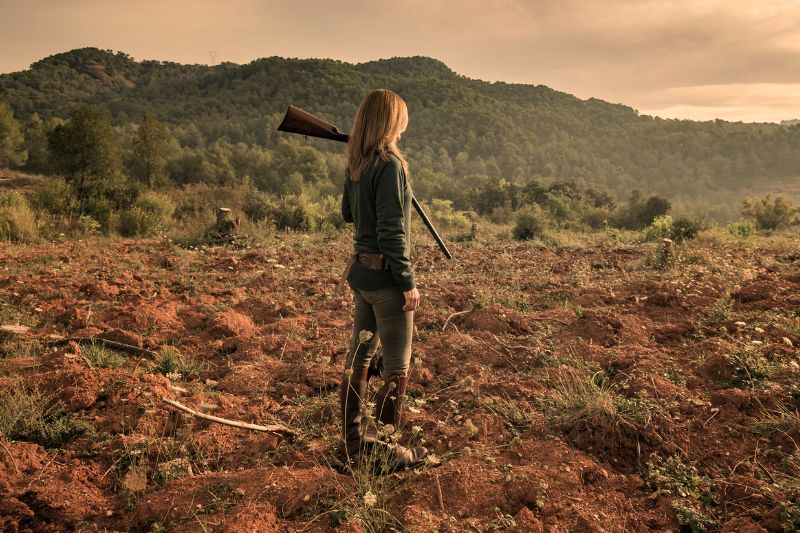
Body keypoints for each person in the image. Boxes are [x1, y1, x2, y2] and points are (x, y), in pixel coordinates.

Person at [339, 89, 427, 469]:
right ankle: (388, 453)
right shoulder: (389, 165)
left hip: (362, 276)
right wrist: (407, 281)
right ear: (392, 121)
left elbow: (347, 213)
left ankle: (354, 446)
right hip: (388, 282)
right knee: (396, 368)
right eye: (401, 119)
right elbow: (393, 232)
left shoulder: (358, 164)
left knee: (358, 360)